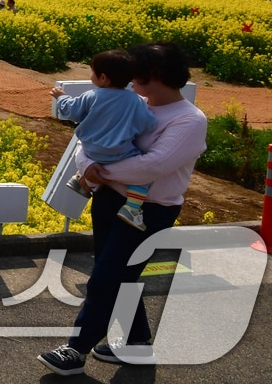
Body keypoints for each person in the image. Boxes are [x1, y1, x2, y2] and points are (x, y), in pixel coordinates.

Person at [37, 42, 208, 375]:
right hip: (109, 199)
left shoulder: (189, 120)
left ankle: (76, 349)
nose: (128, 79)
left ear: (153, 75)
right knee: (116, 272)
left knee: (106, 277)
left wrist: (95, 171)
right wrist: (87, 166)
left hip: (150, 210)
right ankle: (135, 343)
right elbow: (87, 142)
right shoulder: (133, 102)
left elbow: (152, 167)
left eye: (136, 73)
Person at [50, 50, 157, 228]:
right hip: (119, 153)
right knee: (144, 177)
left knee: (99, 161)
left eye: (92, 71)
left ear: (103, 78)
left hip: (91, 150)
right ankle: (132, 207)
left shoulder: (91, 96)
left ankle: (83, 180)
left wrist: (61, 97)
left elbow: (73, 111)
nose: (90, 75)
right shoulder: (135, 101)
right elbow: (149, 124)